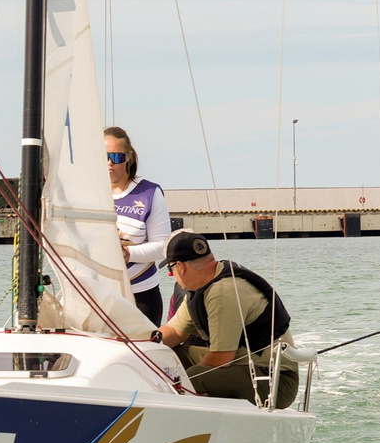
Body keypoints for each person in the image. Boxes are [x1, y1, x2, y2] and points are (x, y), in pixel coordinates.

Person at [156, 231, 297, 406]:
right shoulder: (203, 286)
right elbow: (174, 332)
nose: (171, 275)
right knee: (167, 355)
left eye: (170, 269)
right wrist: (138, 344)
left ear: (181, 267)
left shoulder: (222, 291)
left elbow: (221, 358)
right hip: (245, 365)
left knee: (190, 379)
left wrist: (179, 377)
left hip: (274, 381)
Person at [105, 126, 171, 327]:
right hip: (100, 295)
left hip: (141, 295)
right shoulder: (87, 195)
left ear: (128, 157)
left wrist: (126, 253)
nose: (109, 163)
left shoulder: (149, 192)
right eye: (103, 156)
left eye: (115, 157)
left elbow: (162, 247)